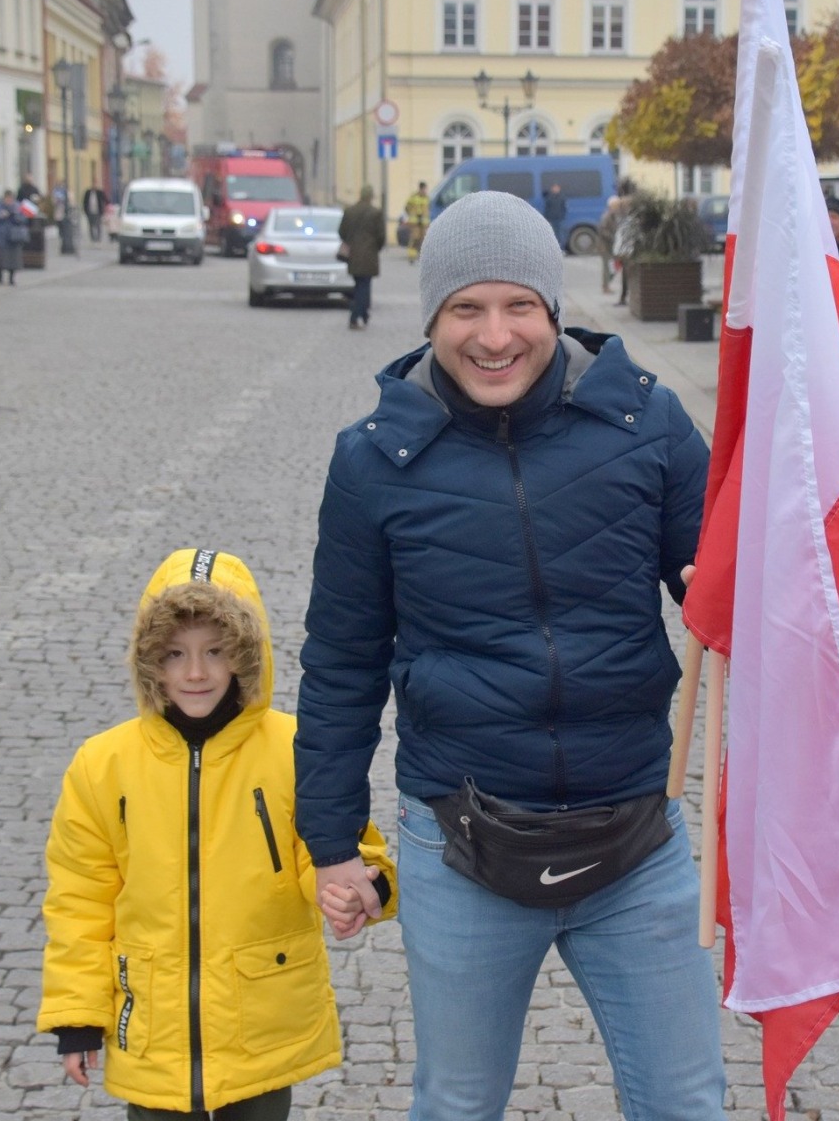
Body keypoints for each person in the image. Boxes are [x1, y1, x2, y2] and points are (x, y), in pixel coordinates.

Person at [295, 191, 724, 1120]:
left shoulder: (646, 424)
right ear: (432, 319)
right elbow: (341, 664)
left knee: (687, 1102)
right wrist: (331, 845)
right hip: (462, 845)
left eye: (519, 305)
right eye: (467, 309)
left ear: (553, 309)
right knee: (456, 1105)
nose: (495, 337)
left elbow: (722, 588)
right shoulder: (373, 462)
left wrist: (737, 585)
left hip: (638, 837)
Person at [38, 548, 395, 1121]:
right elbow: (80, 897)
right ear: (149, 660)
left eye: (215, 651)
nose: (195, 673)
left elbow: (338, 849)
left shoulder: (296, 750)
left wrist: (360, 889)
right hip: (152, 1025)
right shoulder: (103, 764)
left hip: (263, 1022)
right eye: (174, 654)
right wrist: (77, 1015)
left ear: (246, 655)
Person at [337, 185, 384, 329]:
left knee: (359, 285)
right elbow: (381, 236)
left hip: (353, 255)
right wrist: (376, 248)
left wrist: (351, 242)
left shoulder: (349, 211)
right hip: (369, 255)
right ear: (370, 196)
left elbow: (341, 232)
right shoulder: (376, 213)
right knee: (364, 286)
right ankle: (355, 317)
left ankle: (363, 314)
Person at [0, 191, 27, 285]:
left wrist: (14, 215)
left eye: (10, 199)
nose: (9, 200)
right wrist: (0, 216)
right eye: (7, 198)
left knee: (13, 260)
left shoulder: (17, 207)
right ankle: (0, 277)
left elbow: (23, 219)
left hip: (13, 238)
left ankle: (11, 278)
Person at [597, 194, 624, 296]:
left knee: (615, 265)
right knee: (607, 267)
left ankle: (607, 284)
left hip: (611, 245)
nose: (619, 207)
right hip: (605, 246)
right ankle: (606, 286)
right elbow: (602, 231)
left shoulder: (614, 215)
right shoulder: (607, 216)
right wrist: (613, 237)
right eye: (617, 205)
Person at [404, 181, 430, 263]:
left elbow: (428, 209)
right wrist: (412, 215)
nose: (425, 191)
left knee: (423, 240)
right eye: (424, 189)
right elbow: (407, 207)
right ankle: (412, 256)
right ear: (420, 189)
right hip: (415, 223)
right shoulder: (413, 197)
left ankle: (421, 256)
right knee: (414, 239)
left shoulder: (427, 198)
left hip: (423, 223)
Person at [539, 181, 568, 246]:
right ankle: (553, 247)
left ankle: (561, 248)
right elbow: (546, 208)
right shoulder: (549, 197)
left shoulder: (562, 197)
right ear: (552, 189)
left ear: (559, 189)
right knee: (552, 234)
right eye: (554, 188)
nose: (555, 189)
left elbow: (564, 208)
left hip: (559, 219)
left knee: (560, 234)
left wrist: (562, 217)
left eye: (557, 188)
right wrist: (546, 217)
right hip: (551, 219)